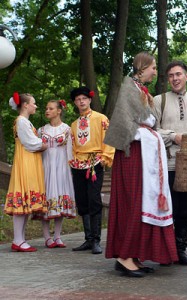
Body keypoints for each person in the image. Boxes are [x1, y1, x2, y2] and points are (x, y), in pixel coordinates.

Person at [104, 51, 178, 277]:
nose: (155, 72)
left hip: (143, 155)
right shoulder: (129, 88)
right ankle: (124, 256)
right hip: (132, 155)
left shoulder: (141, 90)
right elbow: (124, 125)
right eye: (153, 68)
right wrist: (147, 136)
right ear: (143, 67)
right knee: (132, 202)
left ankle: (132, 255)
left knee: (141, 202)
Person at [153, 61, 187, 266]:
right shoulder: (159, 101)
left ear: (186, 77)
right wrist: (173, 136)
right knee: (166, 209)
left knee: (186, 209)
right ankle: (165, 251)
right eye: (171, 76)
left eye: (178, 74)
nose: (175, 78)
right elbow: (152, 130)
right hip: (167, 164)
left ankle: (180, 250)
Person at [69, 86, 115, 254]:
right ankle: (88, 239)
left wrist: (105, 158)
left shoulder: (101, 118)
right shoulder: (73, 125)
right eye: (77, 99)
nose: (81, 101)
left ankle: (96, 240)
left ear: (89, 100)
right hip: (77, 164)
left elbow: (109, 138)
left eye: (84, 98)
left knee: (94, 199)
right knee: (82, 200)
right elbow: (72, 145)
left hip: (95, 162)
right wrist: (72, 161)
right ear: (75, 103)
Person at [4, 92, 48, 252]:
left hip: (30, 161)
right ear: (25, 105)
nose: (35, 106)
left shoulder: (25, 122)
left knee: (26, 201)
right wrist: (43, 144)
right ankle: (18, 239)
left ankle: (20, 238)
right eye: (33, 103)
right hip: (25, 162)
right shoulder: (21, 121)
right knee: (22, 198)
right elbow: (30, 143)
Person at [36, 100, 77, 248]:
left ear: (59, 111)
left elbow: (70, 150)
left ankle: (58, 236)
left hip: (61, 167)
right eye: (46, 108)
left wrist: (71, 167)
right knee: (47, 200)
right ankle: (47, 237)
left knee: (59, 199)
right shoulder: (41, 130)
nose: (47, 111)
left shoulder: (67, 129)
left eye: (51, 108)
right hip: (46, 166)